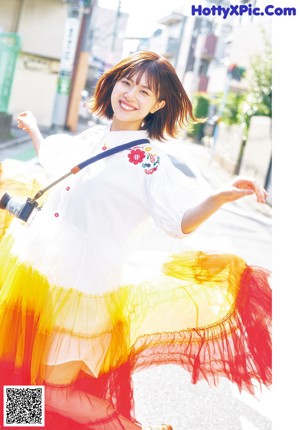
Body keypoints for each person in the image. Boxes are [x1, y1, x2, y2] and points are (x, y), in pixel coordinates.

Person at [0, 51, 271, 430]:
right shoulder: (94, 136)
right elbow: (54, 164)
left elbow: (179, 222)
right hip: (39, 275)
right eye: (127, 82)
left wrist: (218, 197)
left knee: (50, 391)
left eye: (144, 91)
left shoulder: (150, 161)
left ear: (158, 104)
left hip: (83, 291)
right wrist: (33, 132)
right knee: (18, 382)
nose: (130, 94)